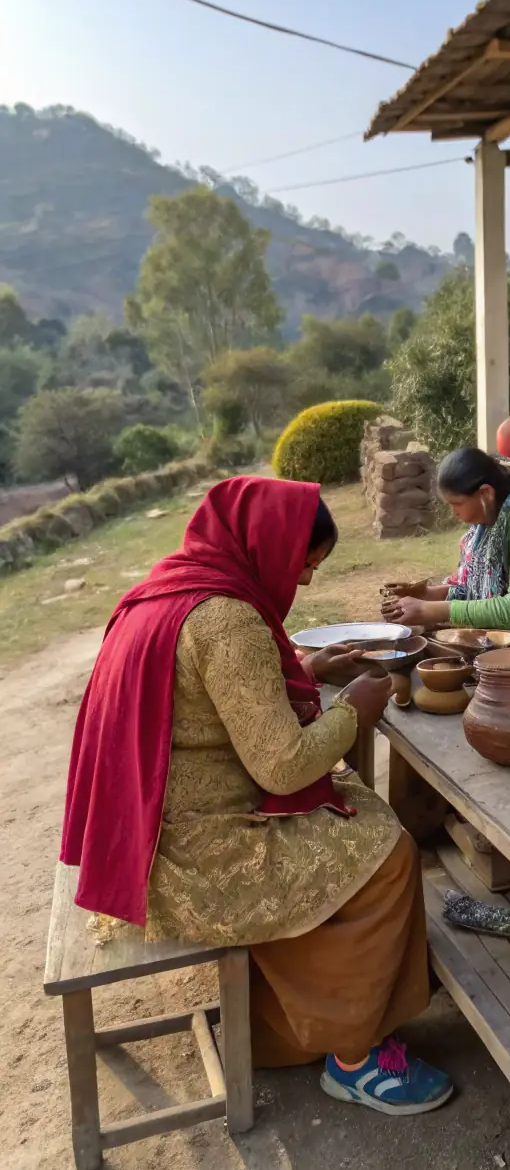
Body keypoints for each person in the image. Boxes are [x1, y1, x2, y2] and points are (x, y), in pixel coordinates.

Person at [60, 475, 452, 1116]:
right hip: (192, 861)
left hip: (141, 835)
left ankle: (281, 1026)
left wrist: (307, 671)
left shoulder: (167, 590)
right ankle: (353, 1054)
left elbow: (209, 701)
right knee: (388, 852)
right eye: (302, 566)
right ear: (265, 546)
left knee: (354, 808)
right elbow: (283, 768)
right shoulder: (229, 621)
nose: (301, 585)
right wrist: (355, 709)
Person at [381, 446, 510, 686]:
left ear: (485, 493)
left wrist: (429, 610)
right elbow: (473, 584)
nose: (454, 513)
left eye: (456, 503)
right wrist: (428, 595)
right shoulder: (491, 519)